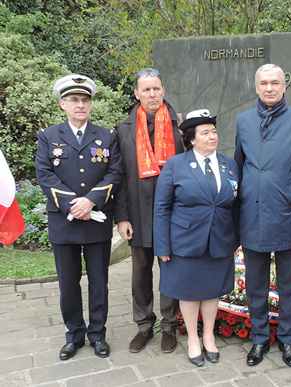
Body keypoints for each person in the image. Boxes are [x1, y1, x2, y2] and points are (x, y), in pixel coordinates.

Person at [234, 64, 291, 367]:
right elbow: (238, 168)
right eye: (263, 83)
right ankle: (258, 340)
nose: (269, 88)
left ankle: (287, 340)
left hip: (288, 216)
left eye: (275, 83)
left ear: (285, 86)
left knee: (289, 286)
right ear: (256, 88)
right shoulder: (243, 121)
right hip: (252, 216)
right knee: (255, 285)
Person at [36, 74, 122, 360]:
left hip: (96, 219)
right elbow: (44, 175)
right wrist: (74, 205)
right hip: (64, 222)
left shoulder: (107, 136)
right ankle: (74, 335)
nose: (80, 105)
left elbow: (115, 172)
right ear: (63, 104)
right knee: (68, 284)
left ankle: (97, 335)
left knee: (99, 282)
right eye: (74, 100)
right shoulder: (48, 136)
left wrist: (91, 201)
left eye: (85, 100)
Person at [154, 109, 239, 367]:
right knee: (189, 292)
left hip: (219, 241)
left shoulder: (229, 164)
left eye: (213, 131)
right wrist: (162, 244)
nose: (212, 136)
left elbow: (236, 206)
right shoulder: (175, 165)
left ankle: (209, 336)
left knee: (212, 290)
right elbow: (161, 207)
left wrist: (234, 239)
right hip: (185, 241)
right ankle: (193, 338)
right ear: (191, 139)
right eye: (205, 133)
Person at [114, 69, 184, 353]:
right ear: (137, 94)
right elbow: (117, 175)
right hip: (138, 211)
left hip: (174, 212)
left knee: (170, 269)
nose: (152, 94)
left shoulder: (181, 125)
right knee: (141, 272)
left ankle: (170, 326)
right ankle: (144, 326)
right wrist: (122, 216)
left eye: (156, 89)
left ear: (163, 90)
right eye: (146, 90)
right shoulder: (124, 128)